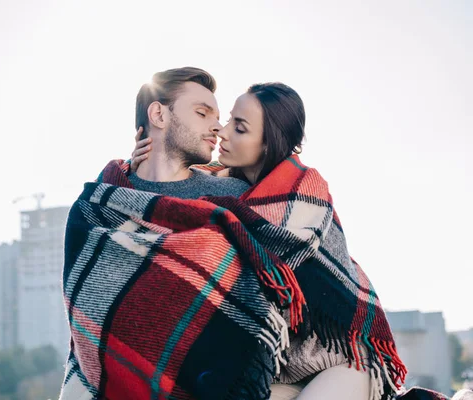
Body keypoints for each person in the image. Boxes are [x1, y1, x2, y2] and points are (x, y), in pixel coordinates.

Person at [130, 83, 380, 400]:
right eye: (230, 119)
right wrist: (134, 169)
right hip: (278, 367)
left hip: (340, 359)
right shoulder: (222, 185)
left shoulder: (303, 189)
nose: (222, 131)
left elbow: (271, 267)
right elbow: (165, 197)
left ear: (267, 144)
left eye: (240, 127)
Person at [129, 66, 250, 199]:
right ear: (158, 115)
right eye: (202, 113)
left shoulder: (235, 194)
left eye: (217, 119)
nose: (219, 128)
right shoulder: (107, 193)